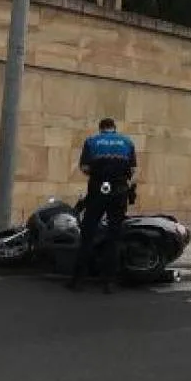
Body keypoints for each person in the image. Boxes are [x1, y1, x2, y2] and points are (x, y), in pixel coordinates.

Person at [67, 118, 137, 294]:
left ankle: (78, 281)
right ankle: (108, 282)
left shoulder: (91, 141)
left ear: (100, 129)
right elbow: (133, 170)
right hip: (119, 192)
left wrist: (98, 172)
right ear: (114, 128)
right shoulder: (127, 142)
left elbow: (84, 168)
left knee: (88, 234)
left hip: (98, 190)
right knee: (114, 236)